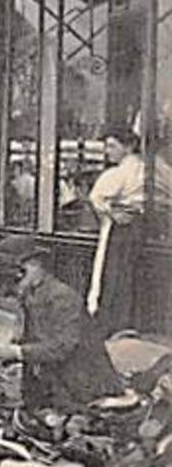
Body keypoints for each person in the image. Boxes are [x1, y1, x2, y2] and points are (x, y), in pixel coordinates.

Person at [0, 236, 120, 414]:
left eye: (16, 275)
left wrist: (17, 352)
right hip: (51, 382)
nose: (11, 283)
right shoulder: (30, 295)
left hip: (82, 385)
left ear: (35, 265)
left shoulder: (62, 297)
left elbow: (63, 346)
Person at [87, 126, 166, 335]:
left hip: (125, 230)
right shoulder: (158, 168)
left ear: (129, 146)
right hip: (153, 230)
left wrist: (112, 211)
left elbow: (96, 198)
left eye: (113, 146)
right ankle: (132, 322)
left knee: (118, 276)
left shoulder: (122, 172)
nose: (108, 151)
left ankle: (115, 323)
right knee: (132, 276)